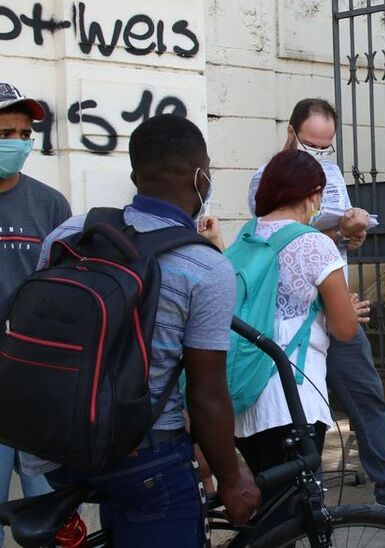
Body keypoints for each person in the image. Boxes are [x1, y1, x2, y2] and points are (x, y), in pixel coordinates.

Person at [32, 114, 260, 544]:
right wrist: (232, 479)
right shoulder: (205, 267)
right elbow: (207, 396)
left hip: (58, 441)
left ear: (136, 175)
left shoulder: (71, 232)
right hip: (143, 455)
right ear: (201, 178)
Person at [248, 99, 385, 514]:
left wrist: (351, 234)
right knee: (291, 415)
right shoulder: (267, 176)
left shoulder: (332, 175)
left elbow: (330, 230)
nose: (319, 155)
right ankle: (296, 506)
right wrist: (339, 226)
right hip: (290, 315)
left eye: (326, 147)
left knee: (366, 393)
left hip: (332, 293)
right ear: (291, 132)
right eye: (311, 145)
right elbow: (279, 221)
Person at [234, 149, 369, 474]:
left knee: (270, 507)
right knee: (294, 511)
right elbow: (344, 329)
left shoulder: (247, 235)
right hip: (292, 394)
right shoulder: (314, 244)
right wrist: (347, 310)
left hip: (245, 388)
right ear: (314, 194)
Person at [0, 83, 69, 544]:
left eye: (24, 133)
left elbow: (69, 286)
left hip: (40, 380)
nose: (18, 141)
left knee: (52, 511)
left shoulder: (51, 204)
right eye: (6, 131)